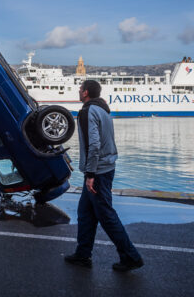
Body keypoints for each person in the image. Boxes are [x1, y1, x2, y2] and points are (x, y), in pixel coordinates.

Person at [64, 80, 144, 272]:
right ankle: (83, 254)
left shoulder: (87, 111)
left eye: (80, 88)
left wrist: (90, 174)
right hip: (107, 167)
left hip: (97, 172)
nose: (78, 91)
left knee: (106, 215)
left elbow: (94, 143)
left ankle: (131, 256)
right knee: (85, 213)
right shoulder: (104, 110)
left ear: (85, 93)